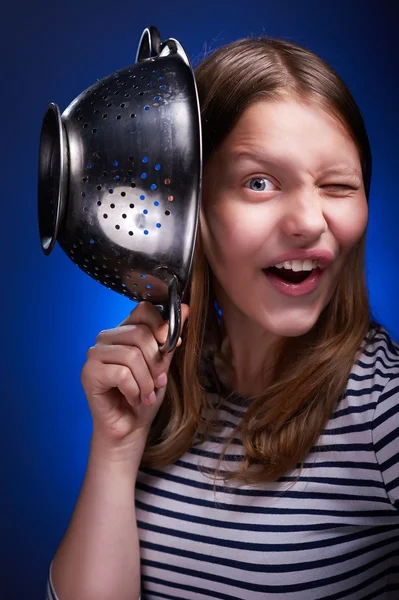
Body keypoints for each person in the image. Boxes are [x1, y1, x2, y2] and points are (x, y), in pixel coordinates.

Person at [45, 35, 399, 600]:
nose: (310, 221)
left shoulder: (384, 408)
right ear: (191, 204)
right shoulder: (166, 388)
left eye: (338, 186)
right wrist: (116, 449)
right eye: (259, 183)